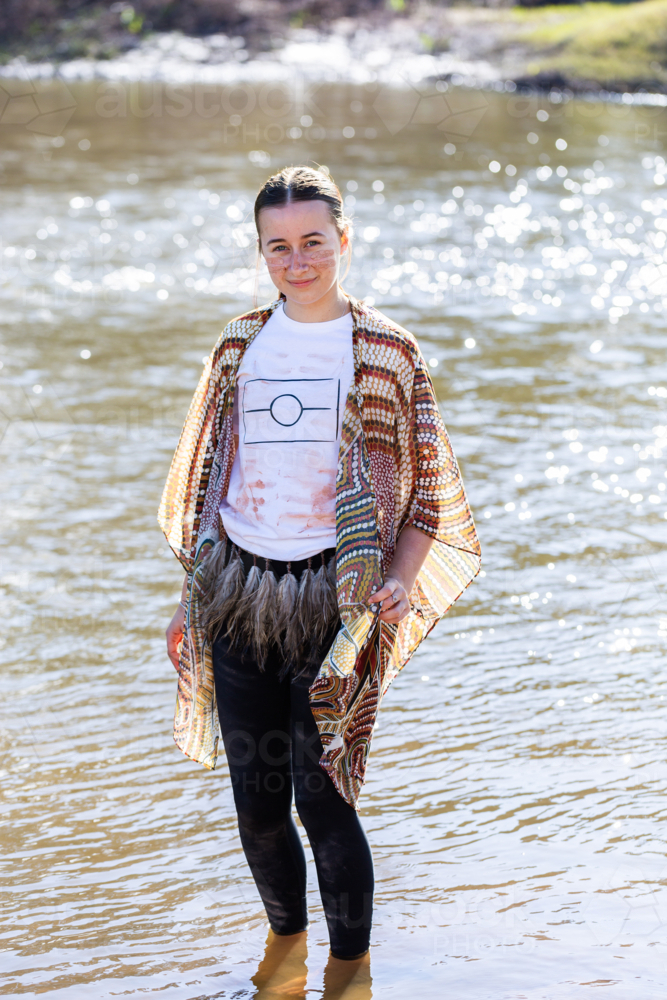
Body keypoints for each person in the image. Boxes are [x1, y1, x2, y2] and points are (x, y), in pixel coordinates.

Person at [159, 165, 481, 968]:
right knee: (257, 805)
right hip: (236, 595)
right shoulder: (239, 346)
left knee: (322, 795)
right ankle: (284, 955)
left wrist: (401, 578)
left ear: (342, 241)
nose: (296, 261)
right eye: (278, 247)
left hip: (336, 605)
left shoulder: (386, 352)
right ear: (261, 252)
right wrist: (184, 604)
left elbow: (427, 503)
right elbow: (209, 487)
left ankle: (349, 974)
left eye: (312, 242)